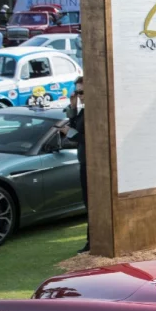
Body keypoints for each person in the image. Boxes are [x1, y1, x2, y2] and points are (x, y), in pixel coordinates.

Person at [65, 77, 90, 252]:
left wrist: (70, 133)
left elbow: (89, 139)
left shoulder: (94, 112)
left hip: (92, 165)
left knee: (91, 203)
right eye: (76, 92)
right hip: (84, 162)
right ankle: (91, 241)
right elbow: (75, 127)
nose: (79, 96)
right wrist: (72, 107)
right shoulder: (83, 111)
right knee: (87, 203)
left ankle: (92, 241)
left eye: (81, 92)